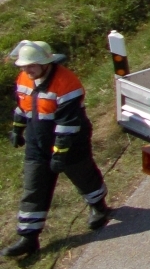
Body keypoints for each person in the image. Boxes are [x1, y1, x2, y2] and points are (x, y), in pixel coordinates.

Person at [3, 41, 109, 257]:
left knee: (84, 177)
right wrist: (17, 130)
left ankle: (98, 206)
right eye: (23, 66)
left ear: (45, 63)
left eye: (31, 65)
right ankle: (28, 238)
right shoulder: (25, 78)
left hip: (71, 143)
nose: (26, 70)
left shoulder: (66, 83)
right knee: (33, 189)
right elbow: (22, 105)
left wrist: (60, 154)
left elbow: (68, 123)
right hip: (37, 143)